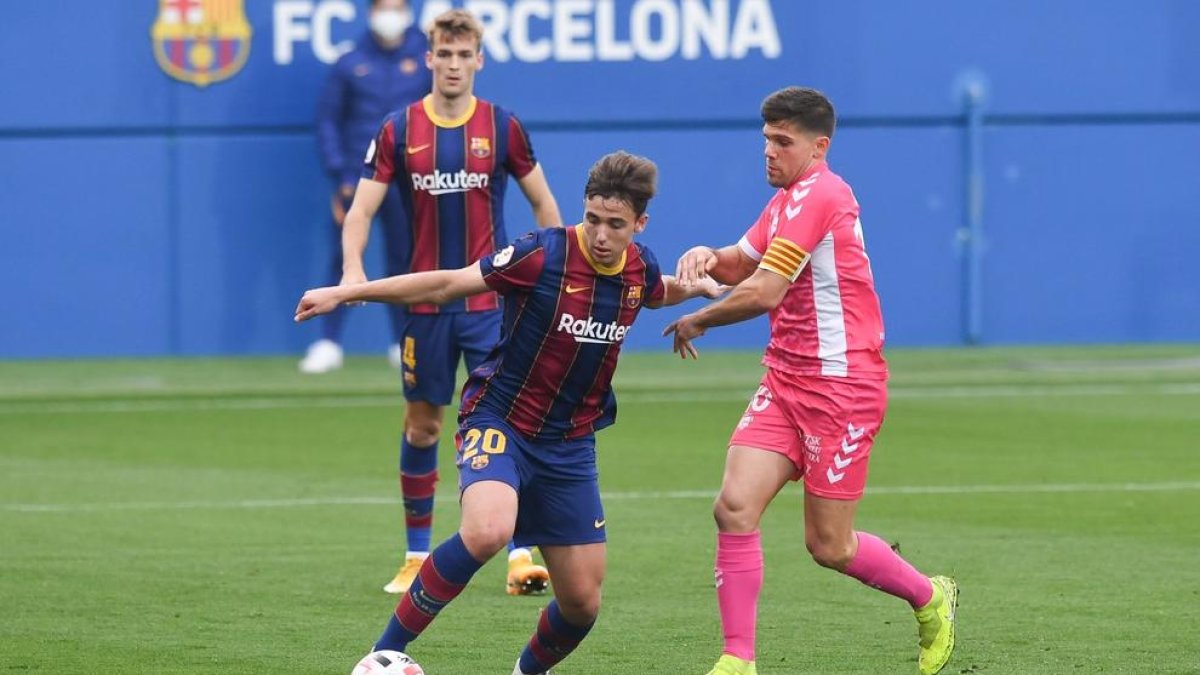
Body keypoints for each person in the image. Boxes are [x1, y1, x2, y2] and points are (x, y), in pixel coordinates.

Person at [297, 151, 723, 675]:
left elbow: (654, 293)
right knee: (487, 531)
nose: (602, 234)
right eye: (593, 219)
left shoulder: (639, 268)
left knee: (582, 604)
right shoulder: (541, 255)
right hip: (500, 419)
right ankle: (383, 654)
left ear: (640, 224)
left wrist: (694, 293)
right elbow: (447, 283)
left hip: (570, 444)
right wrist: (348, 292)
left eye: (616, 225)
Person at [664, 87, 958, 675]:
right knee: (733, 507)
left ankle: (931, 598)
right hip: (785, 381)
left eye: (782, 141)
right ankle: (736, 660)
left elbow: (764, 290)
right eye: (766, 140)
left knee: (829, 546)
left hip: (842, 389)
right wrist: (704, 257)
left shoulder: (823, 192)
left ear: (819, 147)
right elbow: (741, 263)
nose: (769, 151)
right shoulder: (785, 201)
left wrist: (699, 316)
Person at [341, 9, 563, 596]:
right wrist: (352, 271)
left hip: (491, 306)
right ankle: (416, 555)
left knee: (512, 423)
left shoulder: (503, 127)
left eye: (466, 55)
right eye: (446, 53)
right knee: (423, 425)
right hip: (424, 309)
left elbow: (544, 206)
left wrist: (553, 271)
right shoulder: (398, 129)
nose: (455, 64)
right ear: (429, 57)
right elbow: (361, 211)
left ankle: (522, 552)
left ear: (479, 60)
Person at [300, 0, 431, 374]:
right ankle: (327, 341)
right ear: (371, 13)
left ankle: (401, 343)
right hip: (359, 180)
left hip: (409, 180)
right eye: (382, 7)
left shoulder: (426, 58)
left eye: (397, 7)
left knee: (404, 262)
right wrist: (340, 174)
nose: (390, 16)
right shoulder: (350, 61)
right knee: (343, 256)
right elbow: (328, 121)